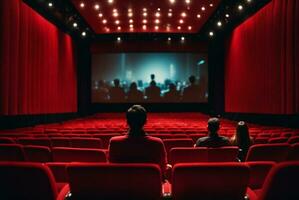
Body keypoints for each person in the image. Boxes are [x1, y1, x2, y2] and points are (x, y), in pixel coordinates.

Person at [108, 105, 167, 174]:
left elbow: (111, 165)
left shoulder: (115, 142)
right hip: (149, 182)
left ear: (127, 122)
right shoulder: (157, 143)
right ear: (145, 121)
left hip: (122, 182)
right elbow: (162, 169)